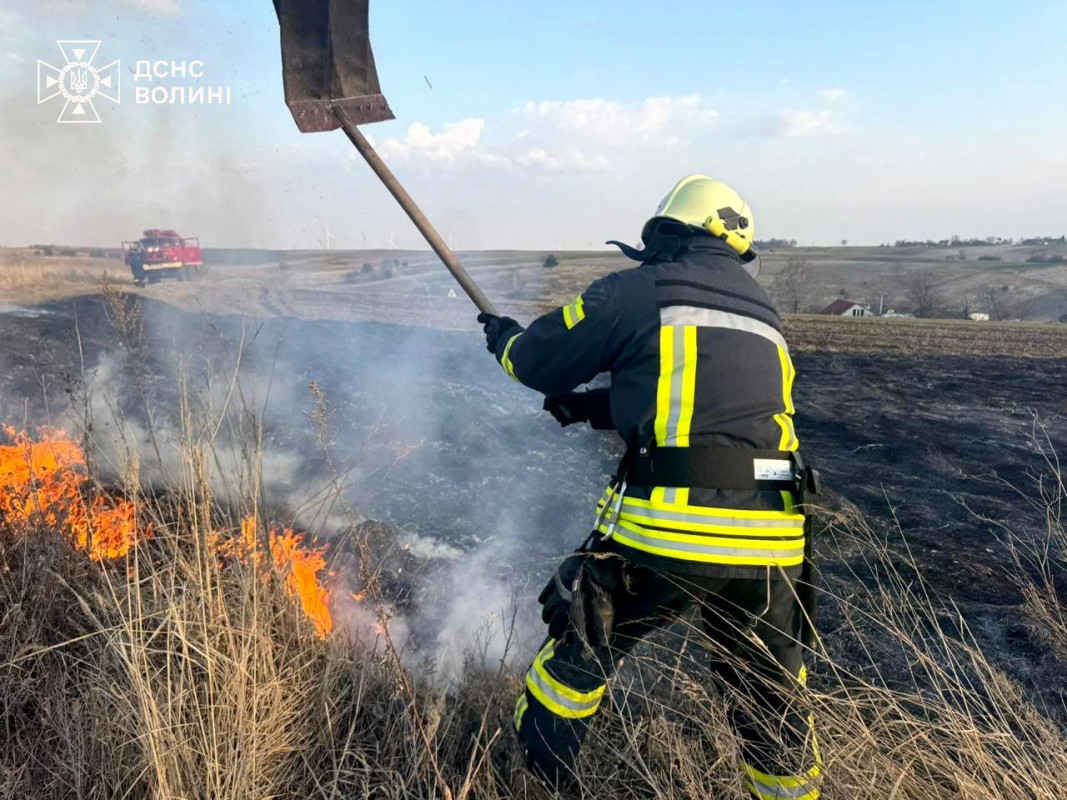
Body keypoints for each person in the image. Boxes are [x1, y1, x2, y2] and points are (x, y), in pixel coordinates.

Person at [478, 175, 822, 798]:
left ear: (664, 231)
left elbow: (536, 361)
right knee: (771, 700)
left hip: (670, 531)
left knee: (576, 664)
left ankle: (535, 784)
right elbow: (706, 412)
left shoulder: (641, 290)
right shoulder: (763, 316)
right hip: (774, 542)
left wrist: (504, 339)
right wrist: (593, 409)